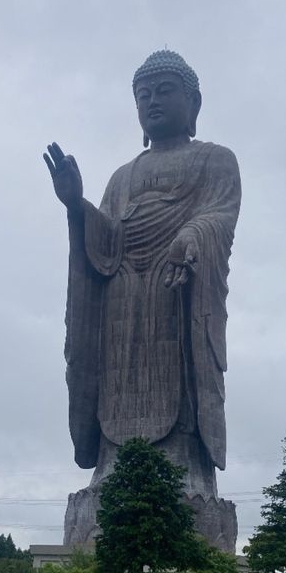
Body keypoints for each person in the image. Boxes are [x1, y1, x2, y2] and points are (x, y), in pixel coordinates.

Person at [44, 49, 241, 511]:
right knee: (117, 379)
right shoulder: (122, 176)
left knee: (179, 380)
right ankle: (111, 467)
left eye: (164, 91)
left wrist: (191, 235)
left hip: (177, 292)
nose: (152, 102)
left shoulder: (215, 160)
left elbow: (221, 214)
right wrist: (77, 206)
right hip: (123, 299)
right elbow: (106, 244)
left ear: (193, 103)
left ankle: (184, 470)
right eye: (142, 95)